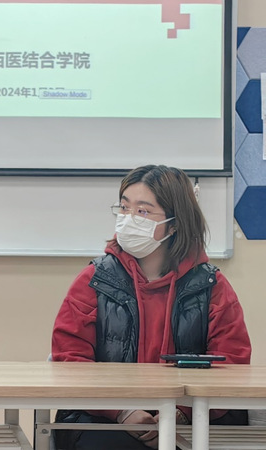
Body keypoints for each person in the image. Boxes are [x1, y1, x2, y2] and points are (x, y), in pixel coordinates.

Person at [51, 165, 251, 450]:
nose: (128, 219)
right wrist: (122, 411)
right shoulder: (95, 279)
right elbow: (69, 360)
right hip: (104, 416)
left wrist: (181, 414)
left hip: (193, 418)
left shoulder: (211, 285)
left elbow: (232, 365)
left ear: (175, 223)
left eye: (143, 211)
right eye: (124, 208)